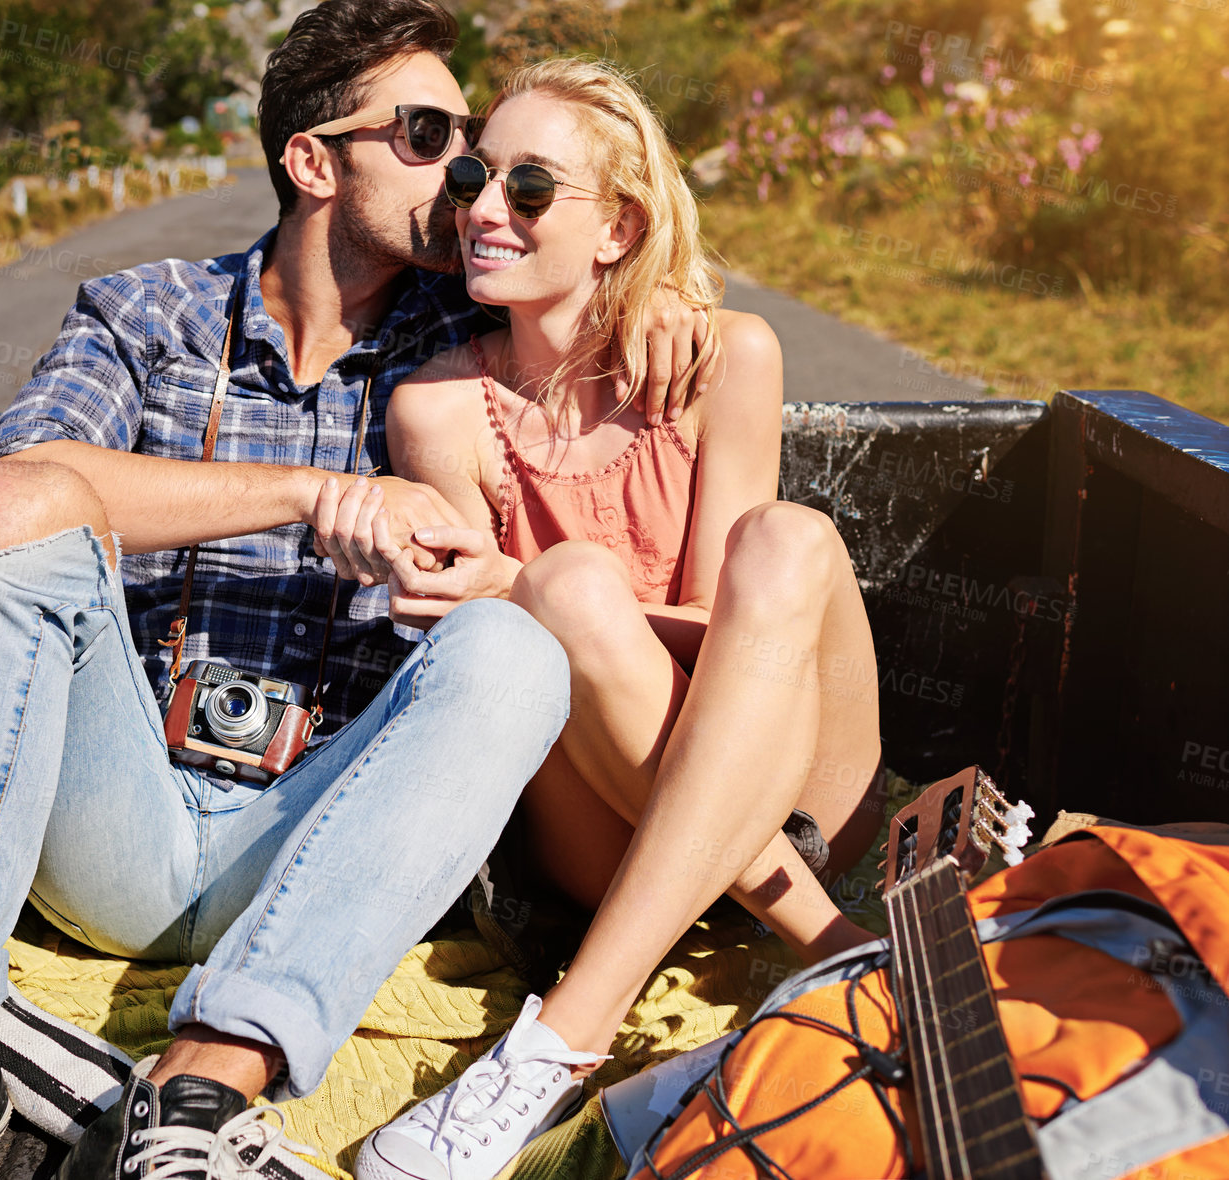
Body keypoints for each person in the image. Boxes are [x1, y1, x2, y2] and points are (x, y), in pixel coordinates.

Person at [0, 6, 709, 1179]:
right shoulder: (144, 313)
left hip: (329, 836)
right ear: (313, 161)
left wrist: (658, 296)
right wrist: (301, 493)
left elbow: (600, 268)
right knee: (4, 521)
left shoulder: (469, 334)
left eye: (472, 143)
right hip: (113, 813)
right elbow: (13, 490)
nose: (469, 179)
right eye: (428, 135)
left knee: (512, 647)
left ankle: (194, 1099)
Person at [325, 58, 888, 1180]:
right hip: (598, 822)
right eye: (477, 176)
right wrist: (536, 597)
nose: (481, 207)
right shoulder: (438, 407)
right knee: (568, 586)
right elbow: (514, 670)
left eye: (529, 189)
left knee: (787, 541)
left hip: (796, 787)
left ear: (617, 227)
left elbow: (739, 631)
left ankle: (560, 1036)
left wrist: (527, 589)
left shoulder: (727, 358)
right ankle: (830, 946)